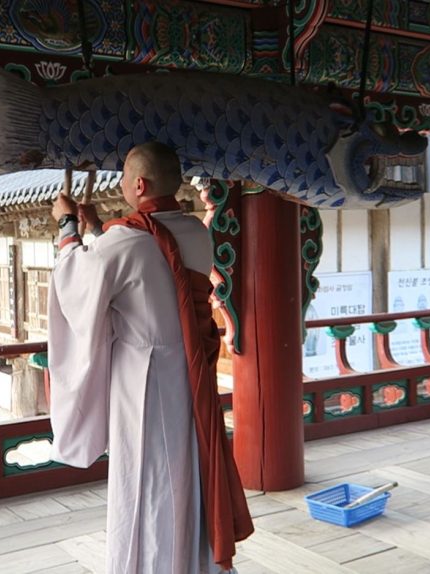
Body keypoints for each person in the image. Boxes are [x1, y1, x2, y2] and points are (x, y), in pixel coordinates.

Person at [48, 142, 253, 574]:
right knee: (186, 470)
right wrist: (98, 230)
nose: (122, 183)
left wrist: (67, 226)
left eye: (125, 177)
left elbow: (78, 284)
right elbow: (141, 266)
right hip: (189, 375)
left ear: (139, 184)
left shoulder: (125, 241)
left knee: (146, 479)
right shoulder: (196, 232)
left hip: (143, 379)